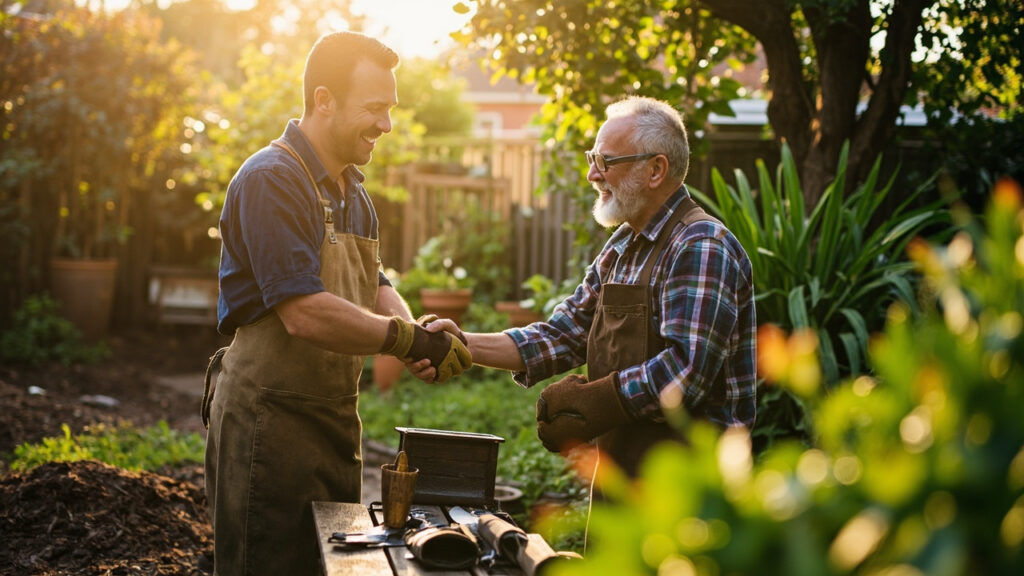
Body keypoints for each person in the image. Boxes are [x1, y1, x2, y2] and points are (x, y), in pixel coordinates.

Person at [200, 31, 471, 576]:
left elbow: (373, 281)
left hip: (335, 422)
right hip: (268, 423)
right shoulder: (272, 180)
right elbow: (303, 311)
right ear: (324, 100)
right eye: (374, 108)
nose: (386, 125)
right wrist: (403, 339)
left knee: (334, 566)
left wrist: (422, 334)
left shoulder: (353, 191)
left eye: (389, 109)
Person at [417, 95, 756, 479]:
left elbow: (687, 373)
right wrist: (462, 344)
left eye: (606, 162)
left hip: (695, 496)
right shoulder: (623, 247)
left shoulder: (699, 245)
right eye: (592, 159)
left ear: (656, 170)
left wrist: (596, 400)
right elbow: (564, 334)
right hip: (625, 481)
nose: (593, 175)